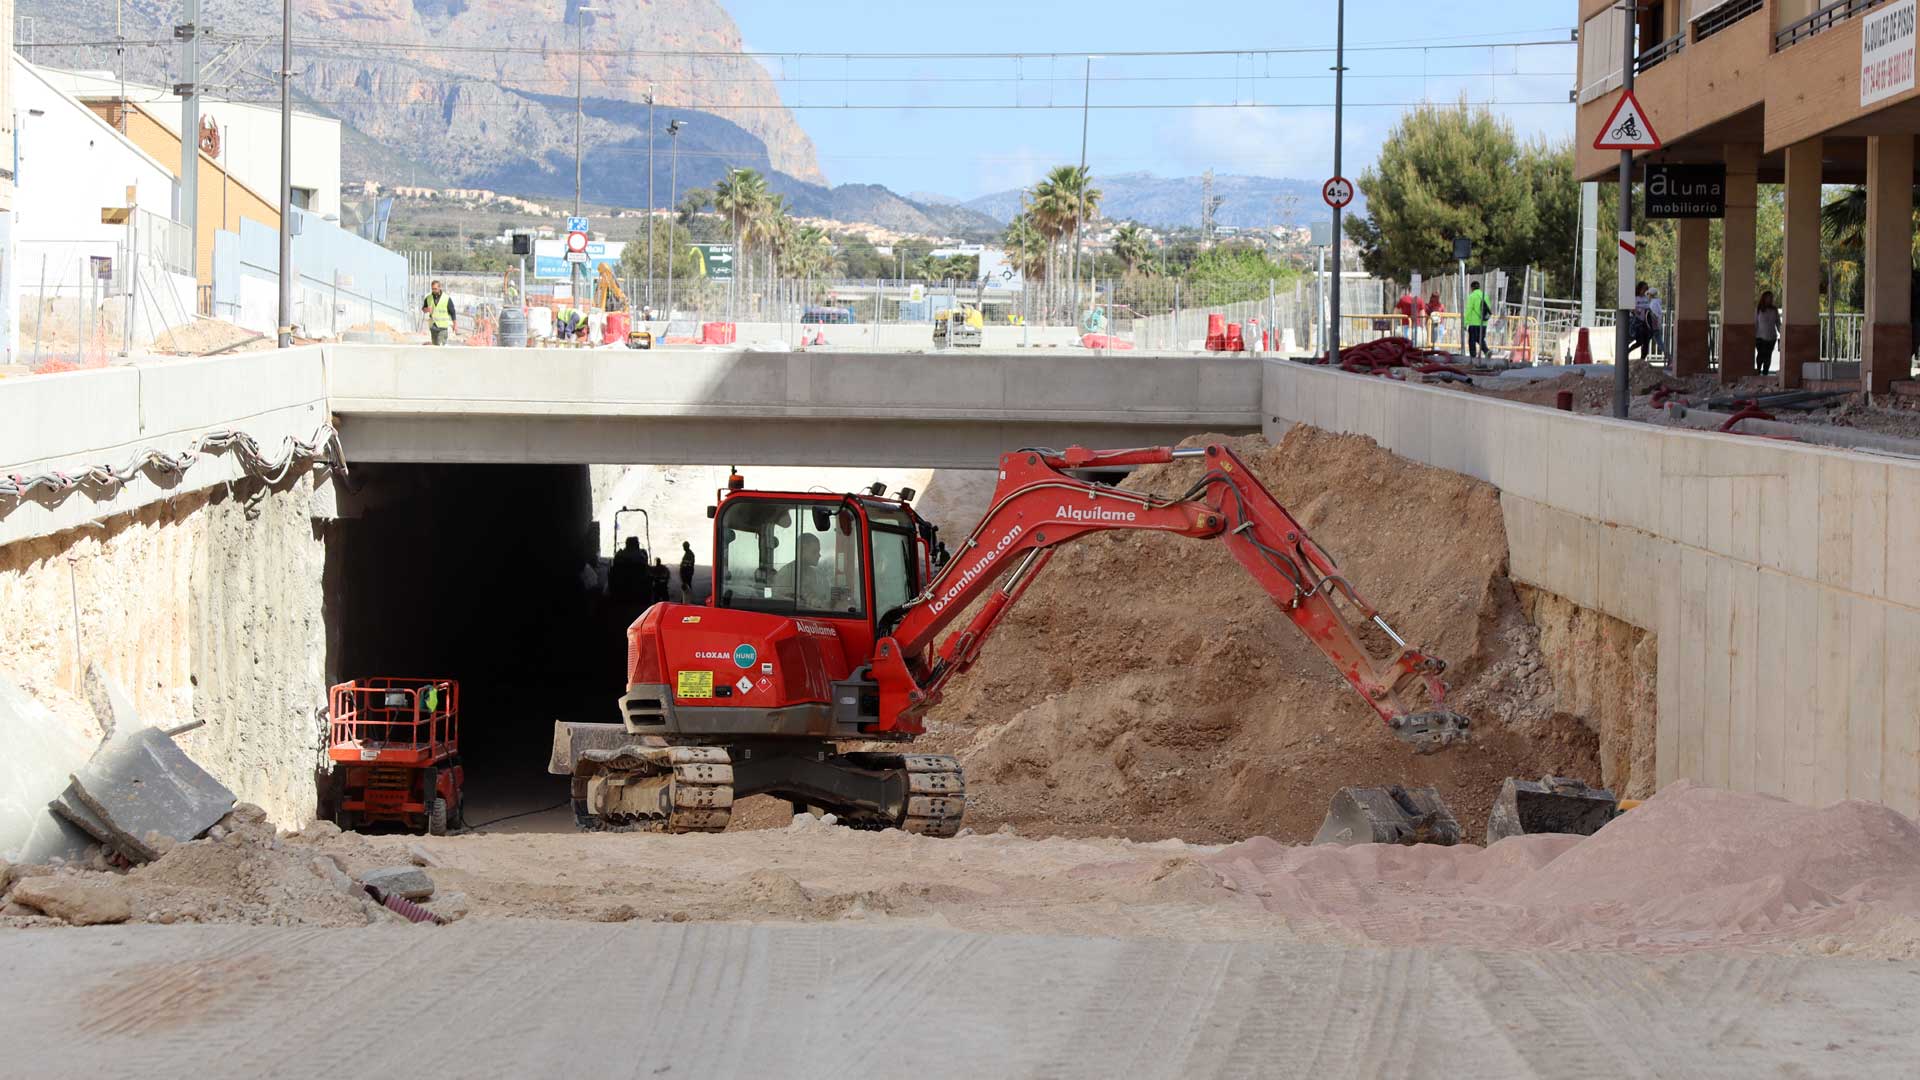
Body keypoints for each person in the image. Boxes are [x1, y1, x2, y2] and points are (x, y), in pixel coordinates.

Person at [773, 533, 833, 611]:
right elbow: (782, 603)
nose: (819, 555)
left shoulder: (813, 573)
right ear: (803, 550)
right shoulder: (787, 573)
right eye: (815, 551)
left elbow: (820, 596)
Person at [610, 537, 648, 603]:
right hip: (638, 582)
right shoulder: (641, 555)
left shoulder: (620, 554)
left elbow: (614, 568)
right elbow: (645, 566)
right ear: (637, 544)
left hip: (621, 583)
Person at [1463, 281, 1494, 359]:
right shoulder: (1485, 295)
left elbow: (1468, 310)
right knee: (1480, 338)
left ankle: (1473, 356)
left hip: (1474, 323)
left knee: (1472, 340)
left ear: (1472, 288)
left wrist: (1465, 323)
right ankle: (1486, 351)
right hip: (1483, 323)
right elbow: (1488, 308)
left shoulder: (1472, 296)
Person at [1626, 282, 1656, 362]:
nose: (1644, 291)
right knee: (1639, 340)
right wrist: (1636, 311)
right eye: (1643, 289)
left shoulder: (1646, 298)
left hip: (1645, 321)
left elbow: (1648, 307)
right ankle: (1628, 351)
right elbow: (1631, 308)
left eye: (1646, 289)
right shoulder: (1635, 298)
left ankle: (1643, 359)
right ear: (1639, 289)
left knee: (1646, 341)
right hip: (1637, 322)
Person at [421, 280, 457, 346]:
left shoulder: (446, 298)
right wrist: (426, 309)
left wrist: (455, 324)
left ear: (439, 288)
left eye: (435, 289)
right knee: (435, 345)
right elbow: (423, 309)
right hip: (433, 326)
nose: (434, 290)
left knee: (441, 345)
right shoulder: (428, 298)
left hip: (443, 327)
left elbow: (453, 312)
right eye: (432, 289)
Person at [1755, 290, 1781, 375]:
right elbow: (1755, 323)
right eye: (1768, 298)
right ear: (1764, 298)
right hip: (1760, 337)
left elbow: (1778, 322)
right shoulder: (1758, 309)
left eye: (1771, 298)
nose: (1770, 299)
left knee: (1768, 356)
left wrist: (1781, 332)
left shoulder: (1774, 310)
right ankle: (1758, 370)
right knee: (1761, 354)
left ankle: (1765, 372)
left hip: (1771, 336)